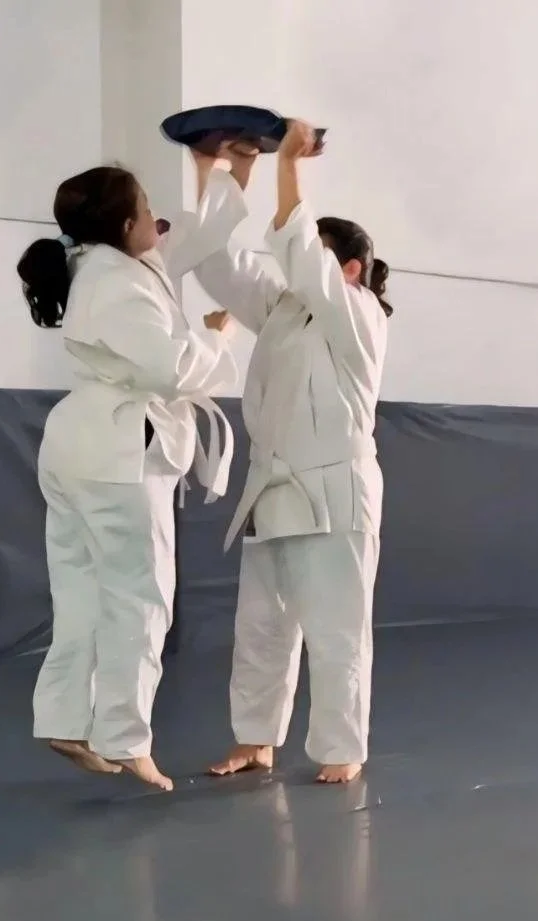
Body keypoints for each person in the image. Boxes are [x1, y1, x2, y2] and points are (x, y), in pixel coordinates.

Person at [17, 165, 238, 791]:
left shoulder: (104, 268)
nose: (156, 221)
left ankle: (64, 717)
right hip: (117, 452)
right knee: (141, 598)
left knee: (84, 591)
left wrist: (223, 173)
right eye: (146, 211)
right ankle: (126, 737)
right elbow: (170, 369)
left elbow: (183, 246)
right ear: (124, 225)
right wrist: (216, 339)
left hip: (78, 445)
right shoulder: (117, 283)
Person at [190, 121, 392, 783]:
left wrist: (291, 163)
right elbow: (219, 264)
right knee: (260, 629)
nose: (296, 266)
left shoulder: (360, 315)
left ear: (351, 269)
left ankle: (342, 747)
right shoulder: (282, 309)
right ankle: (255, 740)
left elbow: (299, 247)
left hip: (334, 493)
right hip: (272, 490)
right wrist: (224, 170)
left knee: (336, 630)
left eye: (319, 257)